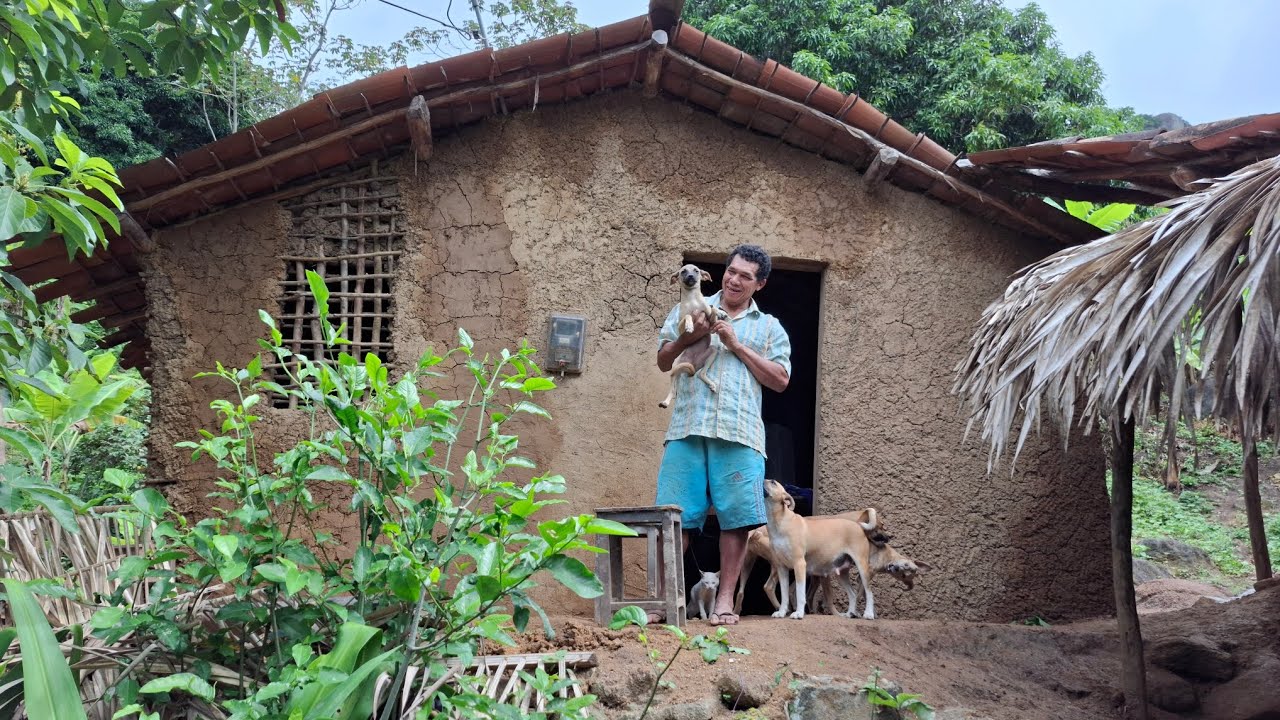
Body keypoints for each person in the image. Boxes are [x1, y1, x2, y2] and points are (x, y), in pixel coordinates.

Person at [655, 244, 791, 626]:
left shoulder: (768, 327)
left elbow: (780, 380)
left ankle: (725, 601)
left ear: (759, 284)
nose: (734, 279)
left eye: (745, 276)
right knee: (675, 516)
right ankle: (666, 602)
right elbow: (664, 359)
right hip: (686, 427)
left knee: (736, 520)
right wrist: (687, 337)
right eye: (731, 271)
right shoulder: (693, 306)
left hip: (740, 431)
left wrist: (735, 345)